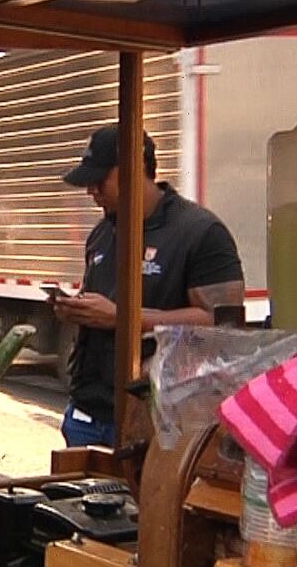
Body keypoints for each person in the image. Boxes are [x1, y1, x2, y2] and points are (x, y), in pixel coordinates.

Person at [56, 125, 244, 447]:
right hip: (88, 414)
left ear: (134, 169)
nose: (91, 191)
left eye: (99, 179)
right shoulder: (102, 233)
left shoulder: (199, 232)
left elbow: (222, 321)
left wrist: (124, 318)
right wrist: (78, 309)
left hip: (158, 418)